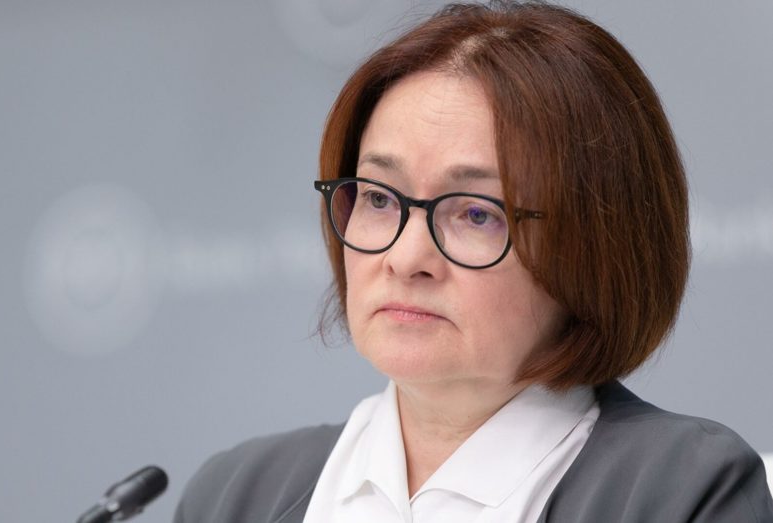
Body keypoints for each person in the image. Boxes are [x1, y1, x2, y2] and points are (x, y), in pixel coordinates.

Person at [174, 2, 773, 522]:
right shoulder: (235, 496)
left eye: (477, 213)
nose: (406, 258)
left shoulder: (684, 492)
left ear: (595, 245)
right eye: (379, 199)